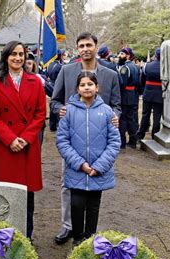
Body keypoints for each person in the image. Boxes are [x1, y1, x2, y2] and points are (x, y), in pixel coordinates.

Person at [50, 31, 121, 245]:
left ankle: (88, 233)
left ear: (96, 46)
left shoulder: (110, 74)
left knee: (93, 192)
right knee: (68, 184)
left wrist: (115, 118)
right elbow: (54, 101)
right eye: (81, 46)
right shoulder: (66, 70)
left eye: (88, 45)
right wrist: (61, 109)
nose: (85, 49)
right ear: (77, 48)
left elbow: (117, 104)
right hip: (74, 139)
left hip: (99, 141)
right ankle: (68, 226)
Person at [0, 40, 46, 240]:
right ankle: (3, 236)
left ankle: (26, 237)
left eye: (21, 54)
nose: (18, 58)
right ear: (6, 57)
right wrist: (10, 139)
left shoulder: (35, 81)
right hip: (5, 147)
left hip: (27, 146)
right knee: (4, 194)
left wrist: (25, 139)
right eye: (14, 54)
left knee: (27, 195)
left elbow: (40, 114)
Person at [138, 47, 164, 140]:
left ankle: (140, 135)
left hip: (148, 93)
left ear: (156, 55)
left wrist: (143, 90)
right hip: (160, 95)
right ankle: (155, 137)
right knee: (157, 117)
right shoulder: (166, 68)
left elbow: (142, 81)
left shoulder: (147, 66)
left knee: (145, 115)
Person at [117, 47, 140, 148]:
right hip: (133, 95)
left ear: (128, 55)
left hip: (125, 95)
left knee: (123, 119)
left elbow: (123, 83)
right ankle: (133, 141)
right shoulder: (135, 66)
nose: (119, 56)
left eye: (122, 54)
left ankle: (122, 142)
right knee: (131, 119)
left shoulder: (125, 68)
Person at [47, 50, 65, 131]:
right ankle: (54, 124)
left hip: (50, 83)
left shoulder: (50, 64)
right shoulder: (59, 66)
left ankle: (52, 124)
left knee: (52, 105)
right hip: (55, 85)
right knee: (55, 104)